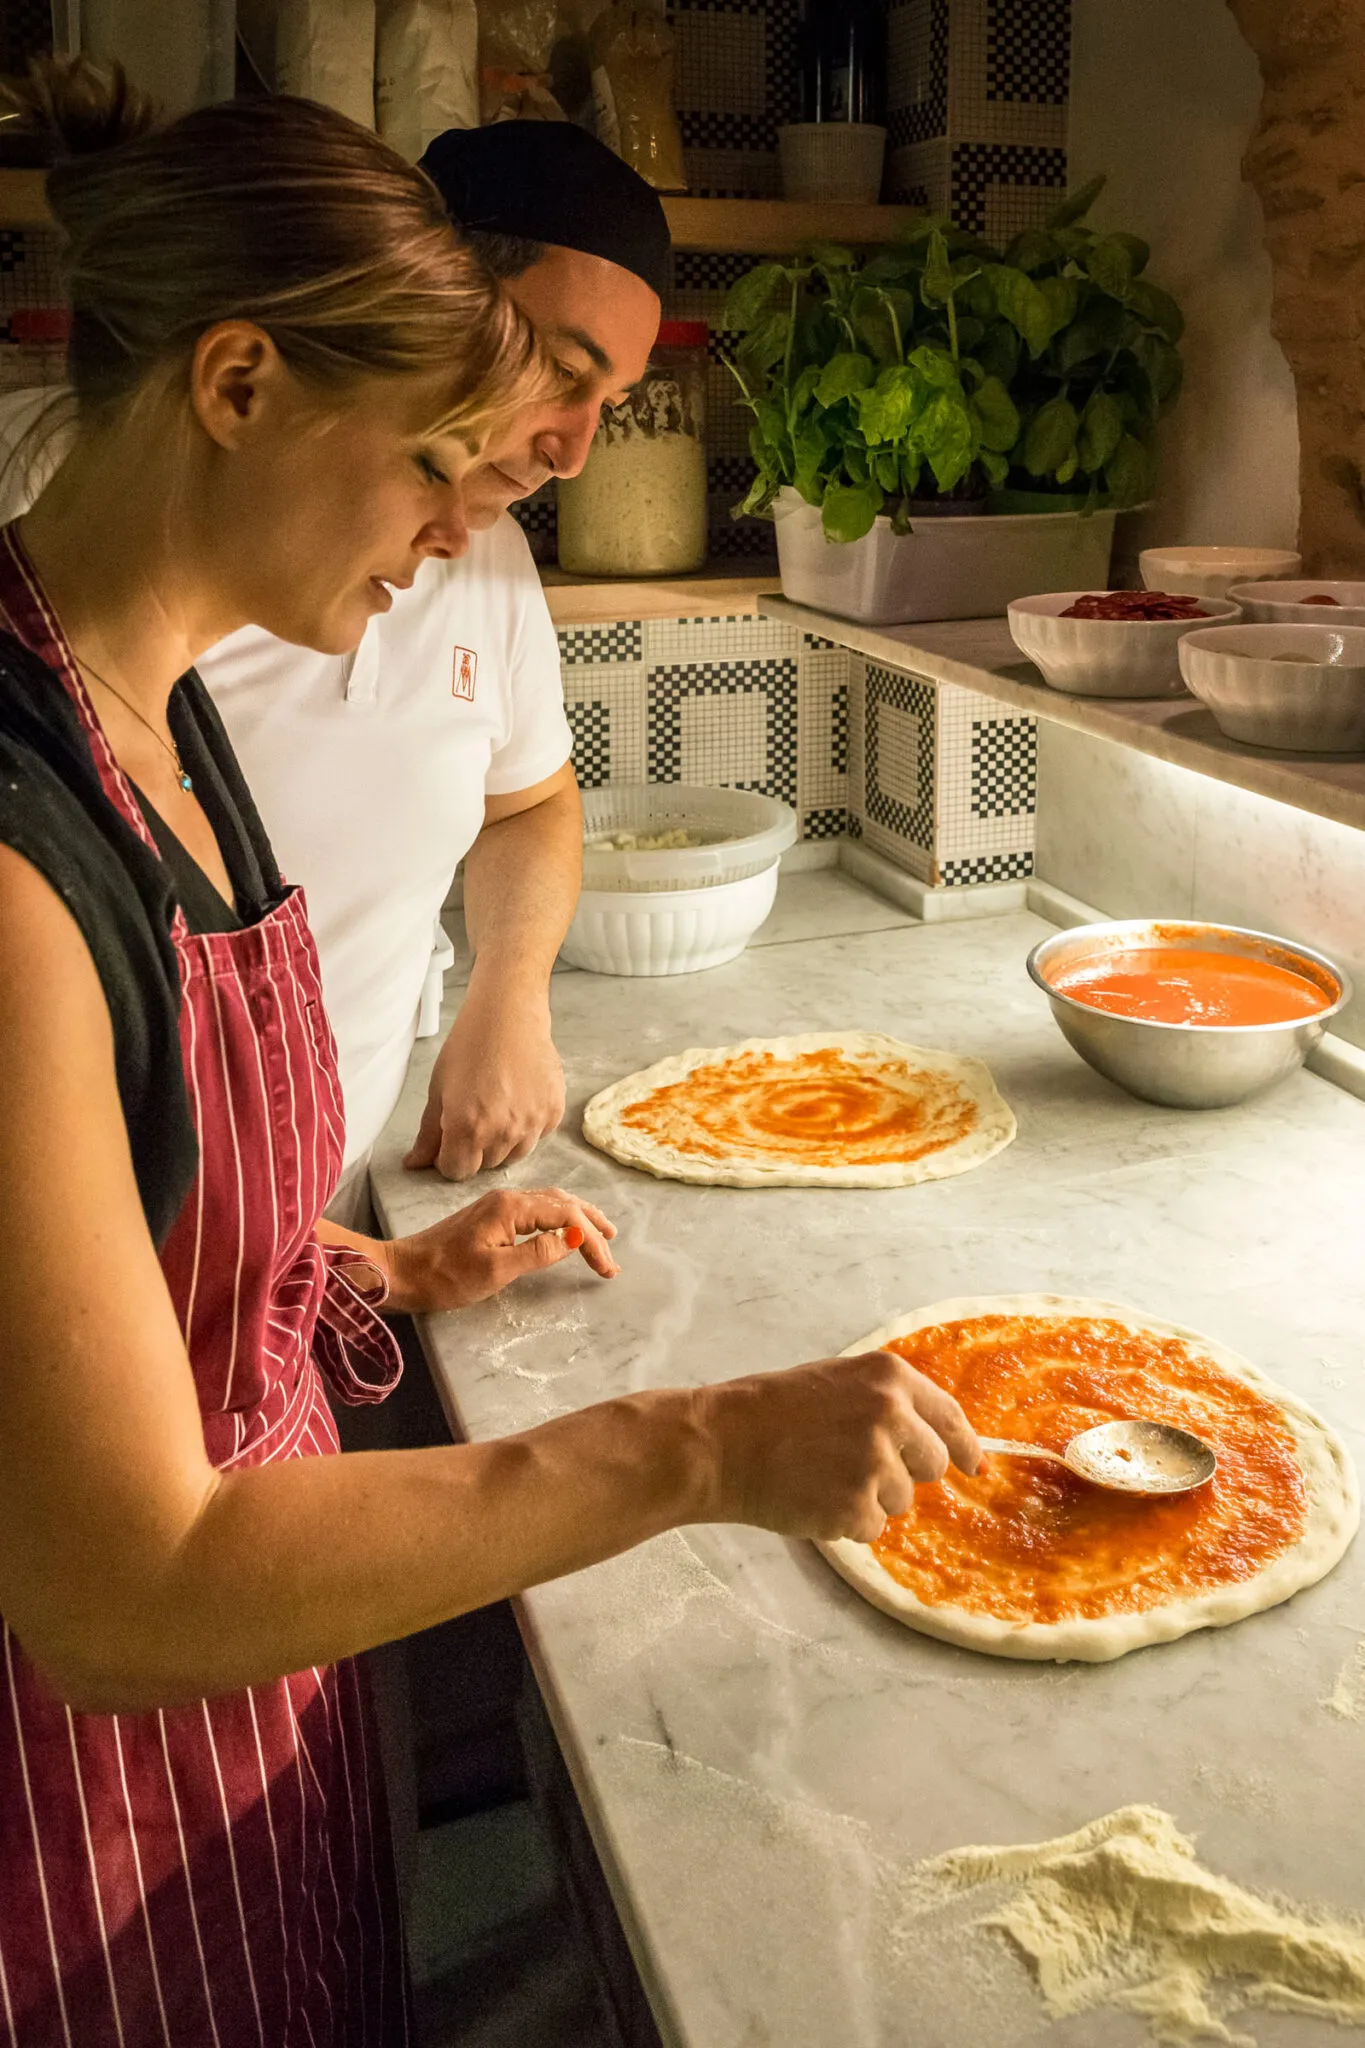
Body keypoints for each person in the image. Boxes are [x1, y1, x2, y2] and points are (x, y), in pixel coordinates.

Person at [0, 62, 980, 2047]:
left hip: (250, 1717)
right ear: (242, 383)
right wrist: (698, 1444)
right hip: (76, 1811)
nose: (465, 517)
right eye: (431, 455)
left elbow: (121, 1216)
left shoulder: (160, 717)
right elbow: (120, 1594)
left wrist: (355, 1264)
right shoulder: (20, 837)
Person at [0, 120, 670, 1221]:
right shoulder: (56, 770)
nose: (576, 453)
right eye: (557, 370)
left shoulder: (171, 728)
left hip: (309, 1220)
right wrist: (685, 1409)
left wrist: (377, 1262)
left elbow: (531, 801)